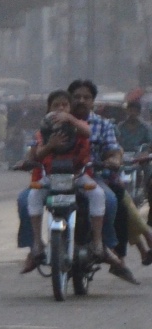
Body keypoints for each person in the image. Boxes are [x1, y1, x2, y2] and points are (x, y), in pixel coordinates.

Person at [21, 104, 135, 281]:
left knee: (98, 195)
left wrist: (71, 120)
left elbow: (87, 136)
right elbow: (38, 155)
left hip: (78, 176)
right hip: (52, 177)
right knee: (33, 195)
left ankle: (98, 242)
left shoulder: (80, 131)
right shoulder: (43, 133)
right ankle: (36, 243)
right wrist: (51, 145)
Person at [67, 77, 152, 264]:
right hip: (60, 177)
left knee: (113, 199)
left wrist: (114, 159)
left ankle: (105, 245)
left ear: (92, 101)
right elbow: (38, 144)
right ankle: (35, 249)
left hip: (95, 175)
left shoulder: (104, 125)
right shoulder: (57, 121)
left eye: (86, 97)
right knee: (27, 199)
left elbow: (114, 149)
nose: (81, 101)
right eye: (77, 97)